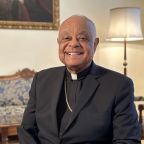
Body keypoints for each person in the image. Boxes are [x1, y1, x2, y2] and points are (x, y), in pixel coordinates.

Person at [18, 15, 141, 144]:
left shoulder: (119, 85)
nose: (73, 44)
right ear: (59, 43)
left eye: (82, 38)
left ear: (95, 44)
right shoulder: (42, 79)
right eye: (66, 38)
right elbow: (27, 130)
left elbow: (127, 140)